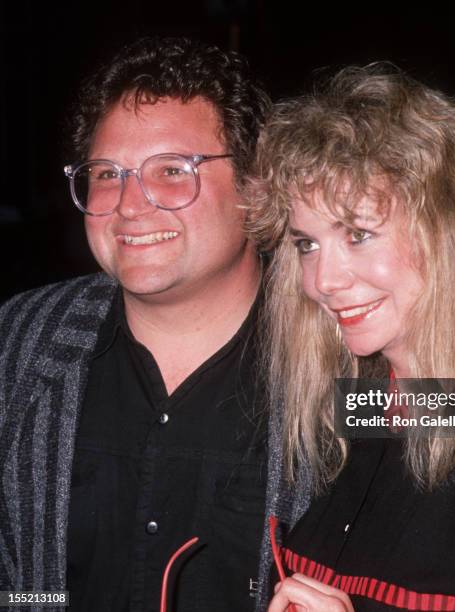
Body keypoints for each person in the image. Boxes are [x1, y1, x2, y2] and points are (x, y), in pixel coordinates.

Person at [246, 64, 455, 611]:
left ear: (454, 235)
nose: (322, 282)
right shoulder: (359, 414)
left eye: (358, 234)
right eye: (306, 244)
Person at [0, 37, 311, 611]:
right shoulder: (19, 342)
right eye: (107, 173)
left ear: (255, 186)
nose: (129, 204)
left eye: (172, 170)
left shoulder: (344, 350)